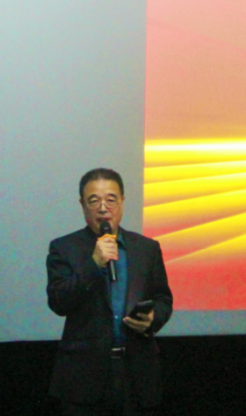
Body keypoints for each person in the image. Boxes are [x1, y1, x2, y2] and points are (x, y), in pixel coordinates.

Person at [46, 168, 174, 416]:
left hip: (137, 374)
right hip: (84, 377)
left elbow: (163, 298)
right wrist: (93, 264)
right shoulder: (64, 248)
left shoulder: (146, 248)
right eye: (94, 201)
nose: (103, 208)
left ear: (122, 202)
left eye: (111, 200)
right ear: (82, 205)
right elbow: (58, 302)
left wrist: (152, 318)